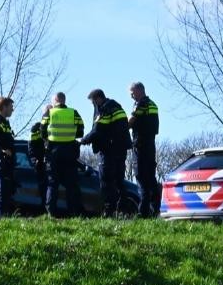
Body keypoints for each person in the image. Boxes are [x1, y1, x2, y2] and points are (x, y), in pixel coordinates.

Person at [81, 88, 131, 217]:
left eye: (93, 102)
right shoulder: (116, 106)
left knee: (106, 181)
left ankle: (109, 211)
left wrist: (83, 141)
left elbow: (97, 130)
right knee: (119, 180)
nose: (93, 105)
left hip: (109, 150)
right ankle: (124, 209)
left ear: (98, 98)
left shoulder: (105, 109)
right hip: (120, 149)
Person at [41, 92, 84, 217]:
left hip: (53, 152)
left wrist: (49, 138)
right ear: (64, 100)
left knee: (52, 183)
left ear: (55, 100)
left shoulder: (49, 113)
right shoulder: (73, 112)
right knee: (71, 184)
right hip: (70, 152)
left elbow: (42, 130)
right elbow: (81, 130)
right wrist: (70, 136)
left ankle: (51, 212)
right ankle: (73, 212)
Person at [128, 81, 161, 218]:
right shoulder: (153, 104)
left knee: (141, 178)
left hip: (140, 145)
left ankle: (143, 212)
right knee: (151, 178)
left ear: (139, 90)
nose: (131, 96)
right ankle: (156, 209)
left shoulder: (141, 105)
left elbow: (131, 122)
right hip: (150, 145)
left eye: (132, 93)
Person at [28, 110, 49, 201]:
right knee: (44, 187)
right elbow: (31, 148)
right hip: (40, 165)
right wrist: (35, 160)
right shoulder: (36, 128)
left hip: (54, 162)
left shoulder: (56, 125)